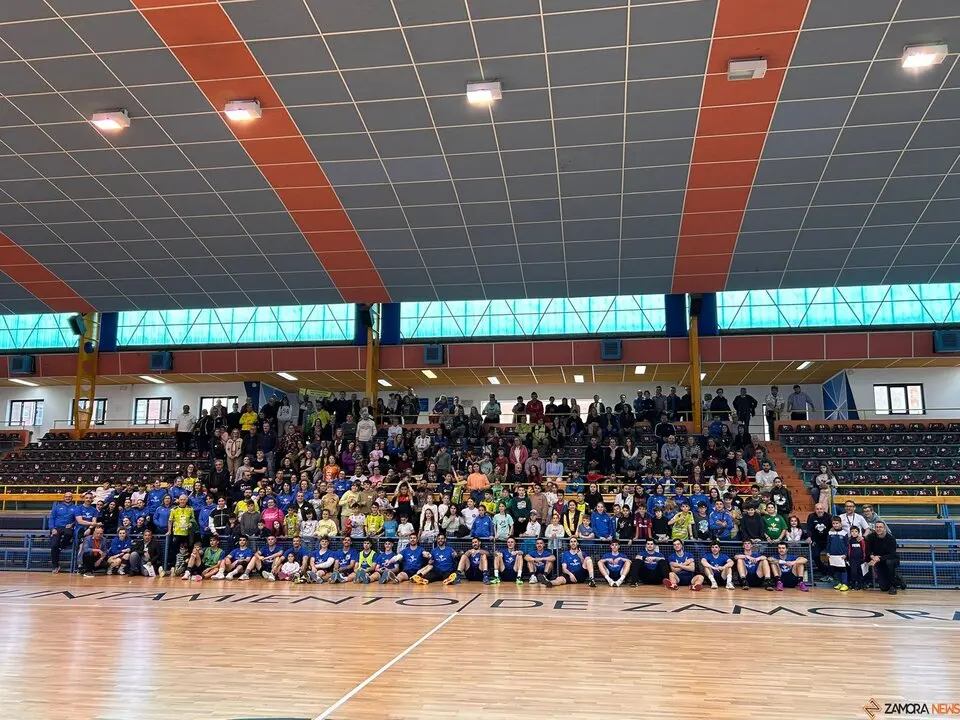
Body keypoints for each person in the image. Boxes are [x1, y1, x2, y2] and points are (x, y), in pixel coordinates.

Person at [867, 521, 906, 595]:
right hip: (879, 561)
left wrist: (879, 558)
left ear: (885, 528)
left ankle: (893, 586)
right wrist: (872, 556)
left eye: (880, 527)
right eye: (877, 527)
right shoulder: (870, 537)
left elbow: (892, 554)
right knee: (884, 588)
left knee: (889, 562)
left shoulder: (891, 539)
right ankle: (899, 580)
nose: (878, 529)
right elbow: (868, 550)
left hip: (892, 560)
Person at [48, 491, 76, 573]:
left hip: (68, 527)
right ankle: (55, 566)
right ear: (63, 498)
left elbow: (77, 520)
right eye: (66, 496)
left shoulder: (75, 508)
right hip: (56, 528)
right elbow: (51, 518)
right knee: (54, 546)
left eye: (69, 496)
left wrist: (72, 524)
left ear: (72, 498)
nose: (68, 498)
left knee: (69, 533)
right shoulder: (57, 507)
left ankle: (61, 546)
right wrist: (52, 528)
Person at [827, 516, 850, 591]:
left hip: (841, 555)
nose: (835, 525)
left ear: (840, 523)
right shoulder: (830, 533)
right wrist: (828, 552)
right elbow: (828, 543)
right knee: (836, 569)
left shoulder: (844, 533)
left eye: (837, 523)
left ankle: (845, 584)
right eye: (833, 523)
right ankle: (840, 583)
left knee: (843, 569)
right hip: (832, 555)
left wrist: (845, 554)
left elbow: (847, 545)